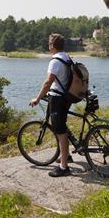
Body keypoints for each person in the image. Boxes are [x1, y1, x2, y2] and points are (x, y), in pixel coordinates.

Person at [29, 33, 74, 177]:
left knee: (60, 131)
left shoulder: (55, 61)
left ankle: (64, 167)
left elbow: (48, 82)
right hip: (66, 97)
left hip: (58, 99)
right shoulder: (66, 57)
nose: (48, 46)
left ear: (53, 46)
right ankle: (66, 155)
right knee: (62, 126)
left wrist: (37, 98)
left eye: (49, 44)